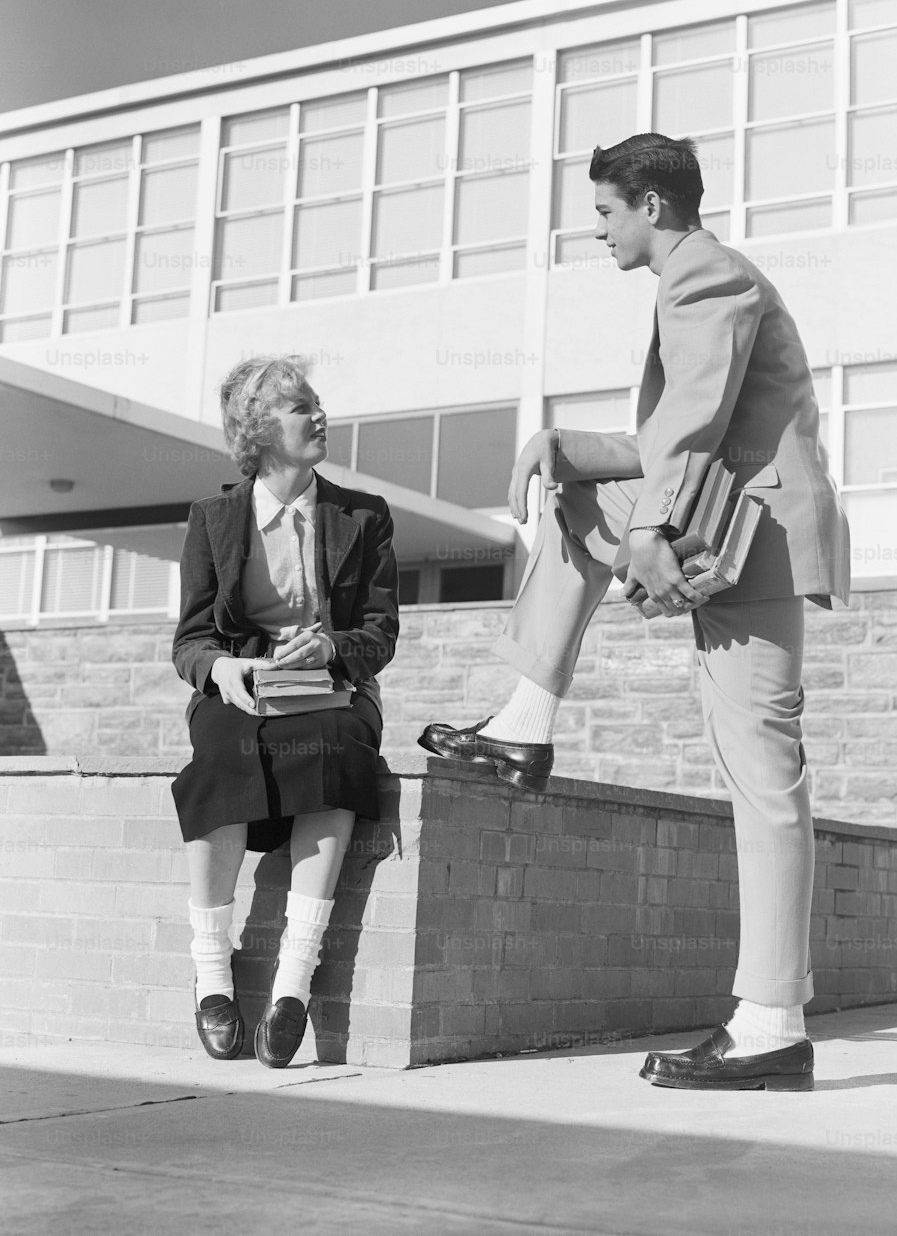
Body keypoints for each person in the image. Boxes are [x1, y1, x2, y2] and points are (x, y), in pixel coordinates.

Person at [420, 133, 849, 1093]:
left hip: (755, 534)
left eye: (608, 211)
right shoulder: (697, 279)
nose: (599, 229)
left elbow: (695, 411)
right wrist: (561, 442)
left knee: (766, 777)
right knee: (573, 495)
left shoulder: (707, 277)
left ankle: (772, 1022)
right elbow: (670, 436)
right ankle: (525, 720)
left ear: (652, 204)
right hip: (732, 520)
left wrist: (650, 526)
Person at [171, 355, 398, 1068]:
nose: (320, 415)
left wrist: (329, 647)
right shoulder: (213, 519)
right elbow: (191, 639)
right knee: (219, 755)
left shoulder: (364, 516)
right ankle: (211, 973)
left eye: (316, 402)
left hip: (332, 688)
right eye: (303, 407)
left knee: (336, 749)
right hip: (245, 687)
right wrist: (223, 665)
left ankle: (292, 985)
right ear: (260, 428)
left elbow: (380, 634)